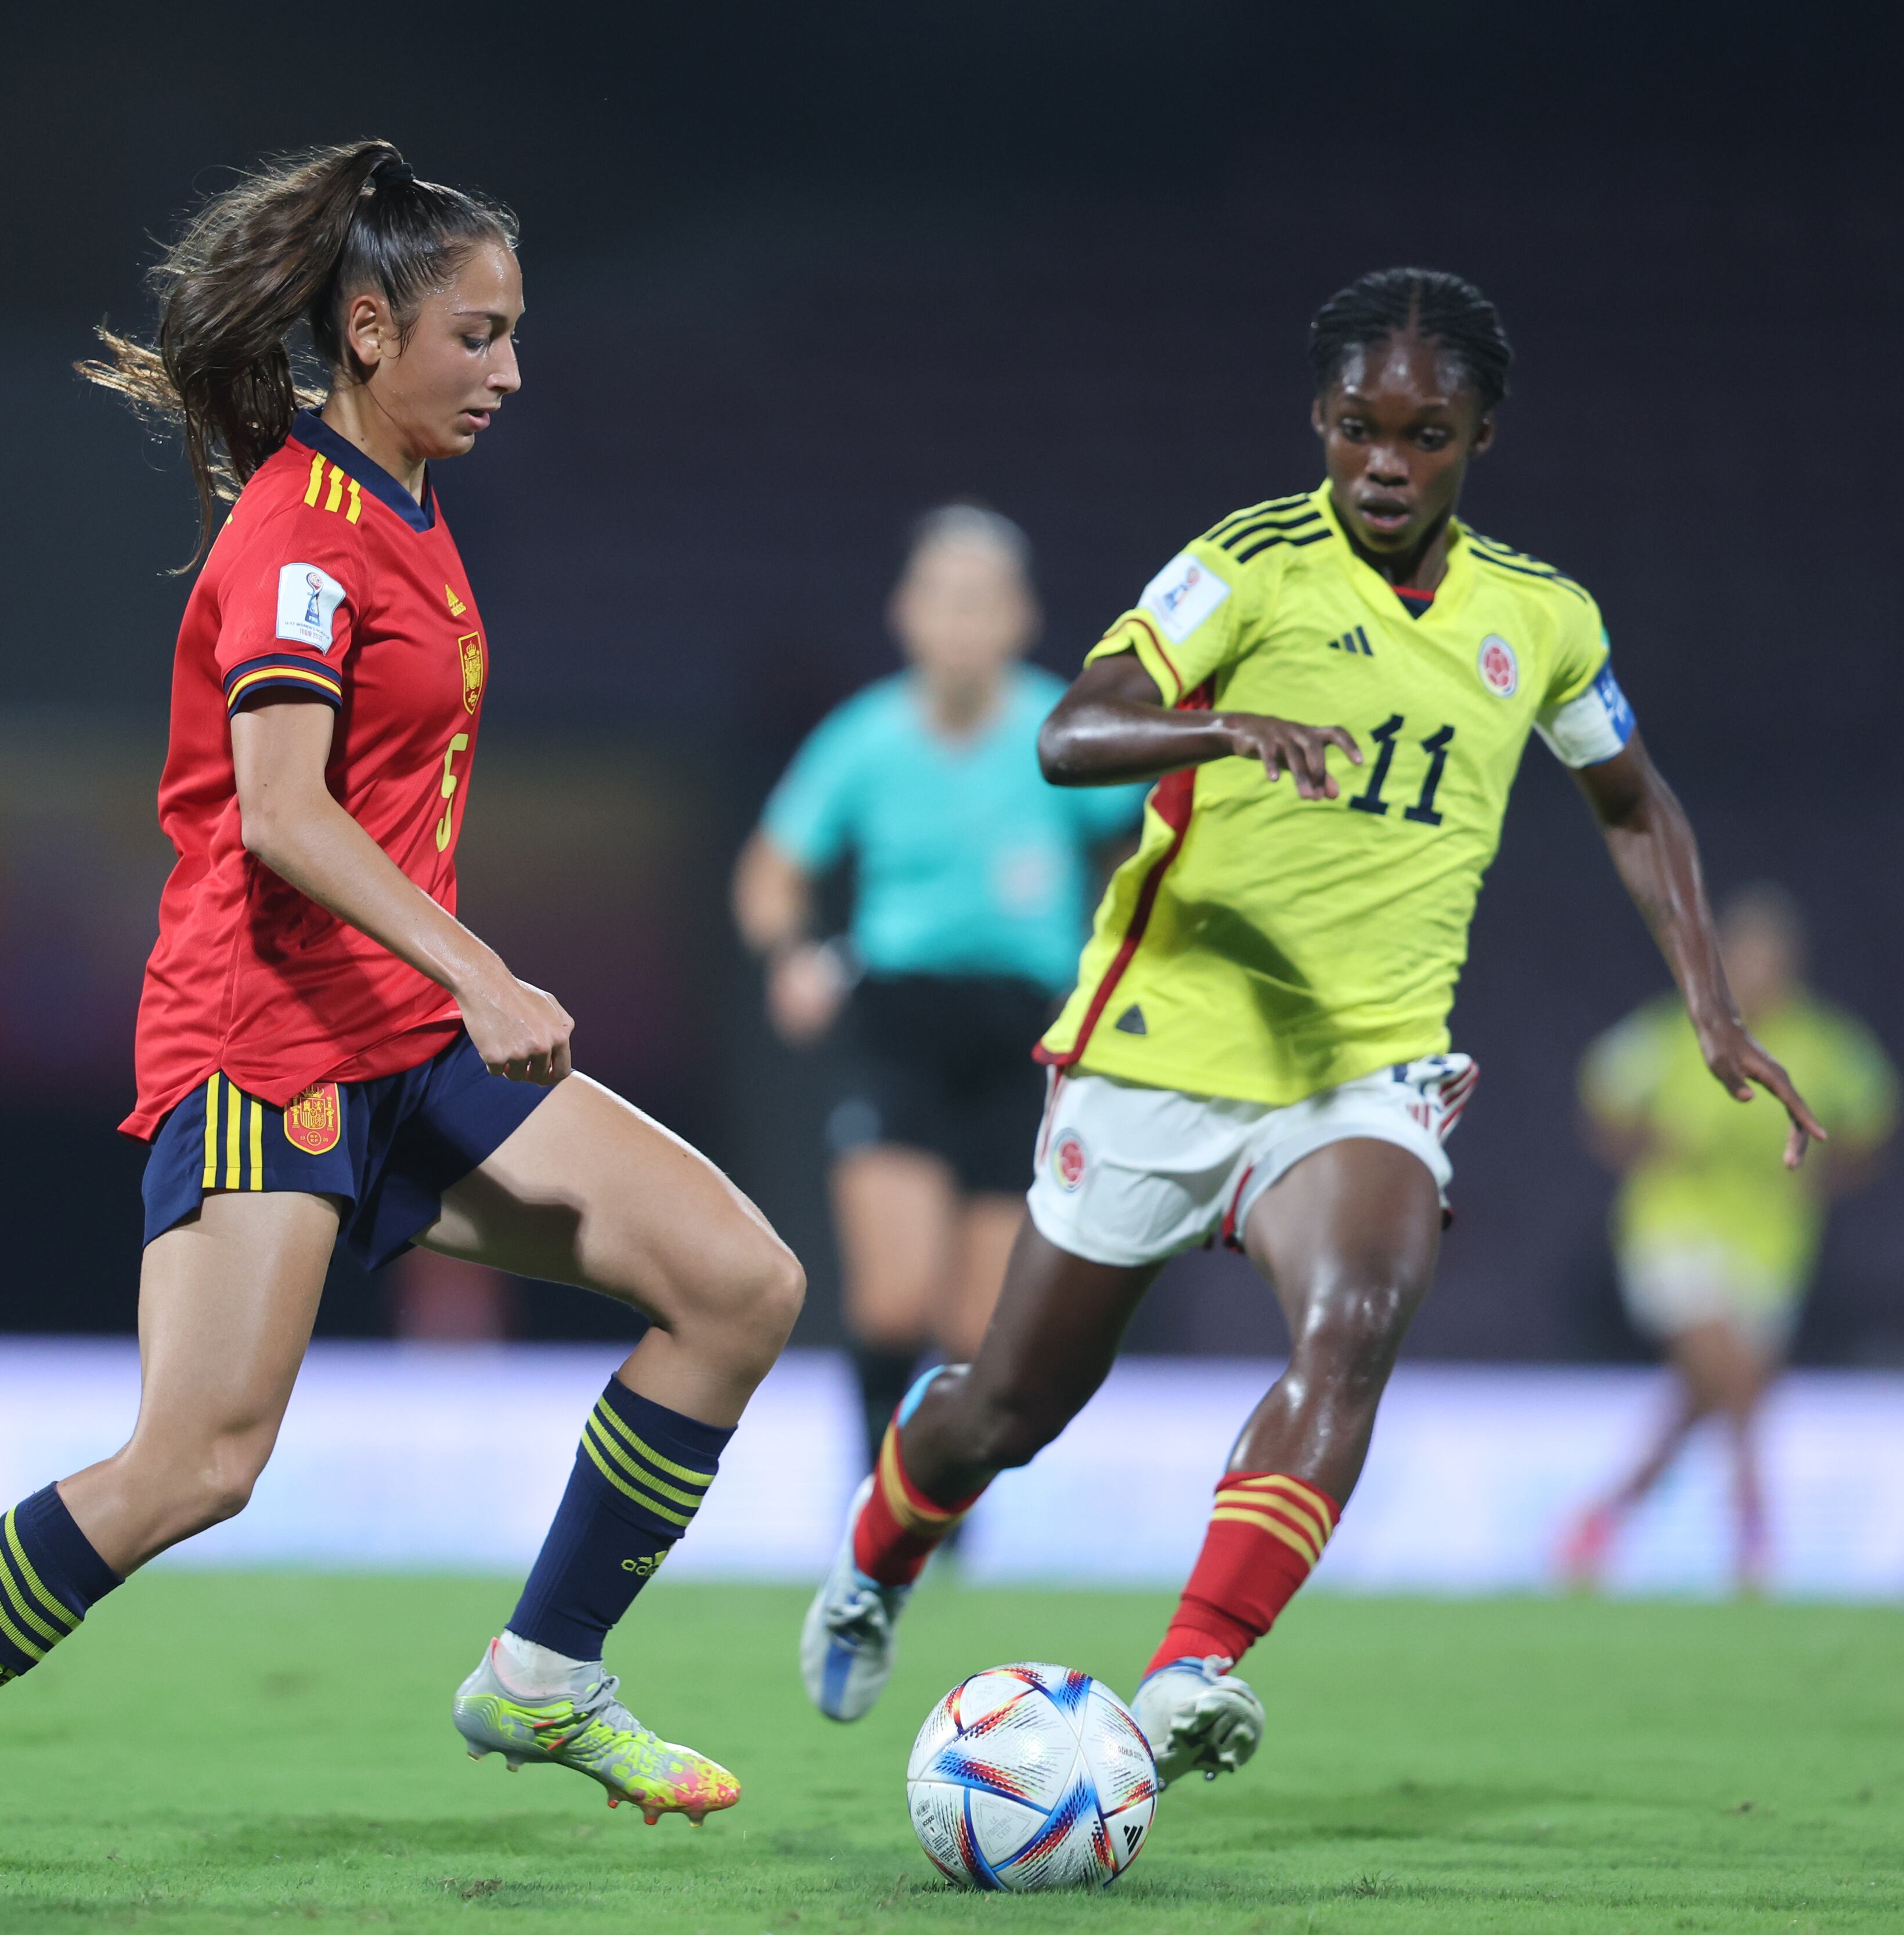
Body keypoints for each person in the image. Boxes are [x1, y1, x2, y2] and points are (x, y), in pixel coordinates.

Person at [0, 144, 803, 1887]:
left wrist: (445, 992)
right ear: (370, 330)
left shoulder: (405, 502)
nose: (510, 370)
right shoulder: (302, 536)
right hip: (267, 1040)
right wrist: (482, 971)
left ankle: (542, 1675)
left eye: (514, 331)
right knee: (197, 1461)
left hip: (403, 1038)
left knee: (737, 1284)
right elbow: (285, 815)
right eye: (478, 334)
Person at [796, 267, 1821, 1784]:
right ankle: (878, 1552)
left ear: (1481, 436)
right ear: (1320, 421)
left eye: (1424, 434)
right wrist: (1223, 723)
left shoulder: (1541, 618)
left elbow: (1630, 798)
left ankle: (1194, 1661)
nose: (1384, 464)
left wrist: (1711, 1003)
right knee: (1008, 1403)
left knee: (1354, 1324)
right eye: (1356, 428)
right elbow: (1068, 729)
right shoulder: (1246, 567)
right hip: (1160, 1048)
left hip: (1365, 1064)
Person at [734, 505, 1141, 1454]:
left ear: (1020, 616)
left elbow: (1136, 849)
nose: (960, 621)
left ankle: (940, 1517)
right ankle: (872, 1494)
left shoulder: (1060, 734)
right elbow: (771, 869)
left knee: (982, 1327)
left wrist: (1130, 959)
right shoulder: (865, 738)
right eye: (943, 598)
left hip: (1025, 1033)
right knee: (894, 1296)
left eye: (981, 600)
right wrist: (791, 954)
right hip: (900, 1024)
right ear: (906, 612)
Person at [1560, 884, 1892, 1591]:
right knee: (1734, 1372)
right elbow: (1601, 1098)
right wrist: (1649, 1150)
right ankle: (1752, 1531)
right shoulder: (1674, 1029)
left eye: (1767, 960)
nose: (1755, 973)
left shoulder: (1824, 1045)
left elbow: (1871, 1119)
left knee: (1708, 1392)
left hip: (1771, 1246)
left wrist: (1822, 1175)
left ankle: (1602, 1519)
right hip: (1671, 1227)